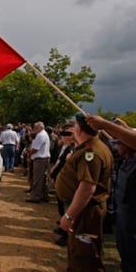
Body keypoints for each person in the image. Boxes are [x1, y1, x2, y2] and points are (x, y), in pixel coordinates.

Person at [56, 113, 113, 271]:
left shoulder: (91, 152)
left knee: (84, 257)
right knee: (78, 253)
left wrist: (69, 215)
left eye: (75, 127)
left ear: (79, 129)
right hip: (85, 210)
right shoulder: (94, 147)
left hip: (86, 212)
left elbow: (87, 188)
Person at [49, 122, 76, 246]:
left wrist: (54, 175)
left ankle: (66, 236)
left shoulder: (73, 149)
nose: (63, 136)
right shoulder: (66, 147)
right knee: (61, 206)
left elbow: (63, 165)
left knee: (67, 209)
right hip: (61, 181)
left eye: (67, 134)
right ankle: (62, 226)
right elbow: (59, 161)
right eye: (63, 133)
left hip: (68, 184)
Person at [114, 133, 136, 271]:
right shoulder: (125, 162)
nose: (117, 147)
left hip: (132, 217)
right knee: (123, 250)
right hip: (122, 213)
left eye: (121, 143)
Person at [25, 121, 50, 203]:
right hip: (43, 158)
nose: (34, 129)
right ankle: (44, 195)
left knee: (37, 179)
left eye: (36, 127)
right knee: (42, 179)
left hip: (40, 159)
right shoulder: (43, 134)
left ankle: (36, 197)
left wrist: (29, 154)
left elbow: (35, 149)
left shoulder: (41, 135)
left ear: (41, 127)